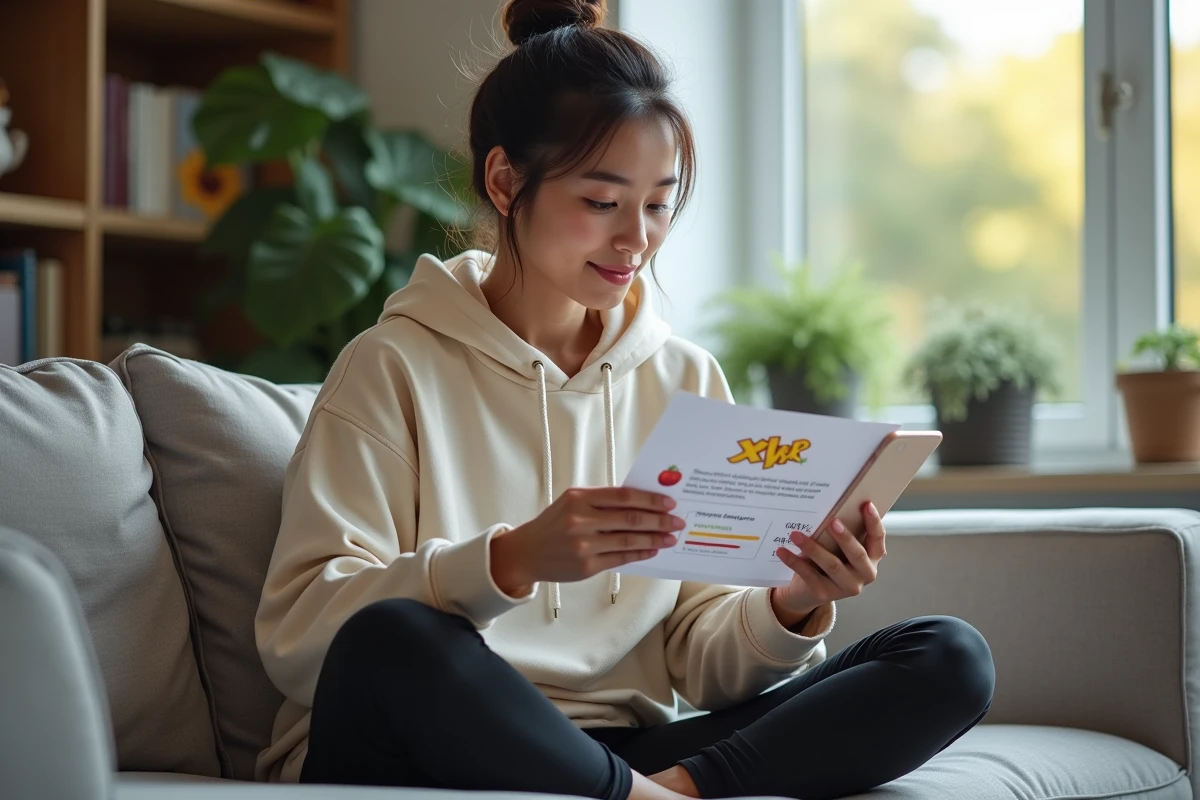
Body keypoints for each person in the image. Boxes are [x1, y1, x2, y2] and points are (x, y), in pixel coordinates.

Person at [253, 1, 996, 798]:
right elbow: (303, 635)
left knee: (947, 656)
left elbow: (699, 663)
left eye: (658, 203)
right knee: (392, 637)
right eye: (602, 203)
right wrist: (508, 560)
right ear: (506, 182)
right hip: (424, 746)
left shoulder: (683, 377)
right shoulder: (391, 365)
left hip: (624, 753)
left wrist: (793, 600)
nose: (636, 239)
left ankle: (668, 792)